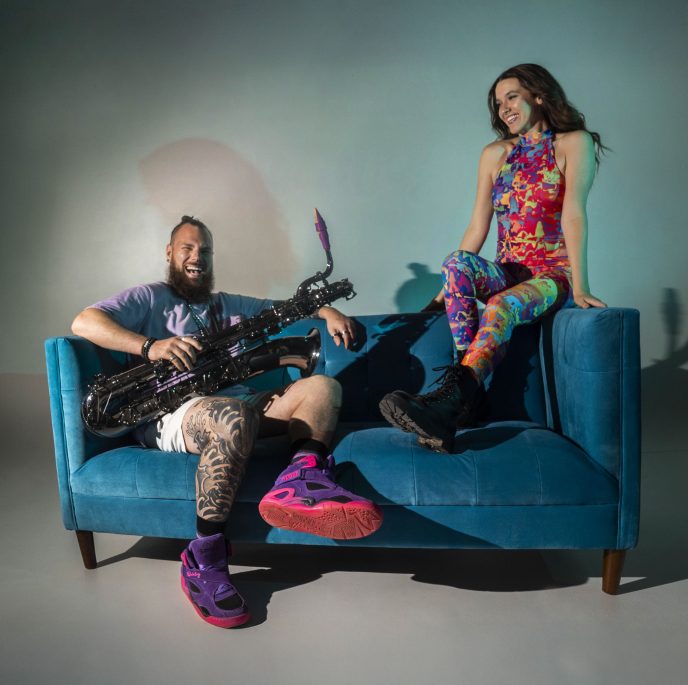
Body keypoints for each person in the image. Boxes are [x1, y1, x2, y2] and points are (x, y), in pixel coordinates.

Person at [72, 215, 382, 628]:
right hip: (174, 412)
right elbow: (83, 321)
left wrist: (327, 310)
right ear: (170, 253)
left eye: (205, 250)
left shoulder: (227, 304)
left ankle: (302, 481)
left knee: (324, 388)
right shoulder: (148, 297)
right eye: (187, 248)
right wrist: (151, 346)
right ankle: (203, 560)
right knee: (232, 416)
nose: (197, 257)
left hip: (239, 404)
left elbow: (283, 309)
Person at [379, 63, 607, 452]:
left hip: (552, 277)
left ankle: (452, 403)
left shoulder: (573, 143)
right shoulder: (495, 154)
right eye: (498, 103)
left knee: (500, 305)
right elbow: (477, 228)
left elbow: (574, 214)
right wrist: (441, 296)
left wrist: (581, 286)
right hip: (507, 272)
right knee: (455, 262)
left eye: (512, 97)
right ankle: (465, 398)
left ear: (539, 96)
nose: (504, 109)